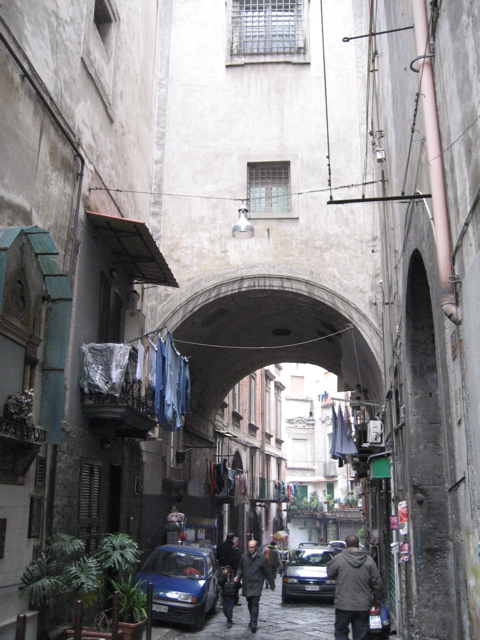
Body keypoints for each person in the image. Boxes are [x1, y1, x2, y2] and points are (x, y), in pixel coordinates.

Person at [327, 534, 383, 640]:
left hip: (343, 604)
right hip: (363, 605)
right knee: (361, 635)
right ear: (358, 545)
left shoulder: (339, 559)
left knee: (340, 633)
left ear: (346, 546)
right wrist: (376, 601)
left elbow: (330, 572)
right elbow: (377, 583)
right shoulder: (369, 560)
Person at [234, 539, 275, 633]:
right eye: (249, 547)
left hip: (257, 583)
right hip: (247, 583)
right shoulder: (244, 556)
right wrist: (237, 576)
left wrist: (272, 584)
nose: (251, 549)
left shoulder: (262, 558)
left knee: (254, 602)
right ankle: (252, 619)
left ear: (256, 547)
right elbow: (240, 568)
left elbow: (267, 572)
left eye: (252, 547)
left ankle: (254, 623)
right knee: (249, 601)